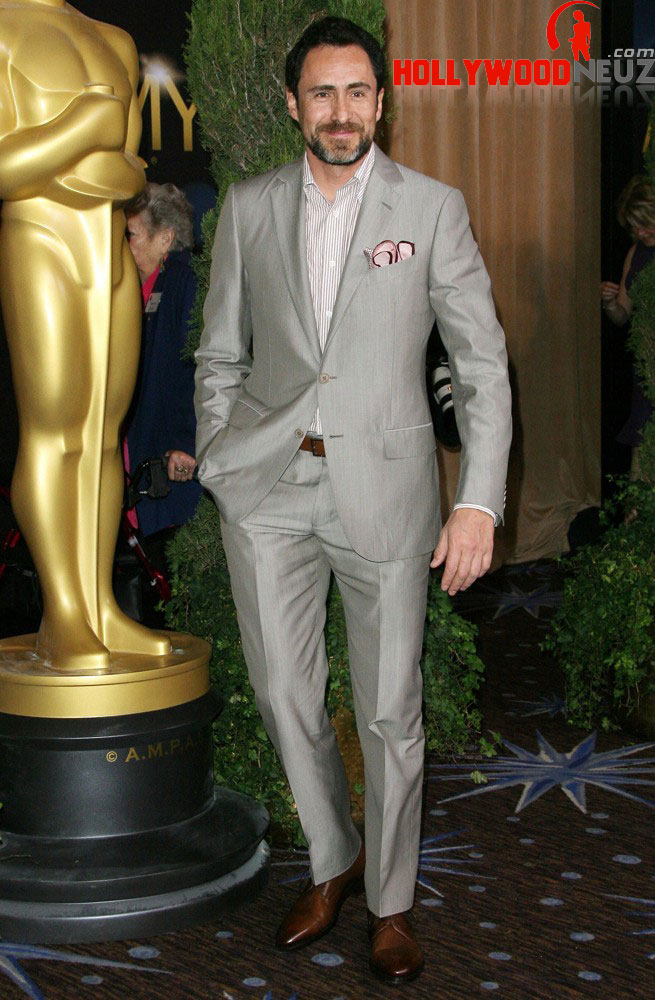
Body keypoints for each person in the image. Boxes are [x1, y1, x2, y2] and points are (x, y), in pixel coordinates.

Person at [194, 17, 511, 983]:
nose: (342, 111)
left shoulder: (433, 208)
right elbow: (220, 352)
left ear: (382, 101)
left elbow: (480, 362)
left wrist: (478, 503)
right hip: (267, 490)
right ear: (294, 105)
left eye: (358, 92)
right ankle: (332, 863)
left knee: (388, 712)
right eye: (322, 93)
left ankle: (391, 899)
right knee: (284, 695)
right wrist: (221, 459)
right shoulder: (248, 207)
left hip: (386, 491)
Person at [0, 0, 171, 671]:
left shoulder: (115, 42)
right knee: (54, 429)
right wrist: (81, 131)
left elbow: (129, 170)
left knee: (102, 435)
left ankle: (98, 606)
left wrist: (90, 160)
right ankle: (63, 613)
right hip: (40, 240)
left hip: (109, 250)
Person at [124, 183, 202, 567]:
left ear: (165, 238)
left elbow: (199, 371)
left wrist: (186, 443)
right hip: (143, 462)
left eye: (131, 235)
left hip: (171, 466)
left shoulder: (185, 283)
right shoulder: (141, 290)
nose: (124, 246)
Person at [600, 175, 655, 477]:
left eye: (645, 224)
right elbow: (622, 315)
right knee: (641, 452)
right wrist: (609, 302)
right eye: (635, 227)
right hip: (646, 366)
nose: (640, 232)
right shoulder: (636, 252)